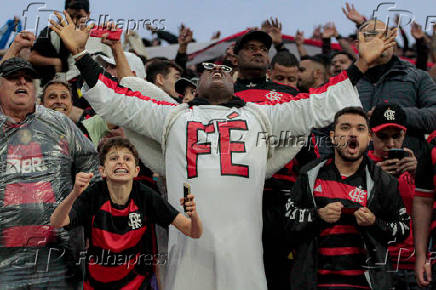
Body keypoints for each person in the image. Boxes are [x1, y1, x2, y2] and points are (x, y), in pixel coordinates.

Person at [49, 11, 396, 289]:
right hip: (188, 246)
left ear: (236, 83)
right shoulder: (172, 116)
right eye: (210, 68)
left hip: (243, 247)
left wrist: (361, 65)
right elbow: (116, 101)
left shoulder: (261, 115)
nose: (218, 71)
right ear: (195, 81)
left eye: (224, 69)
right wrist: (80, 54)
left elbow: (315, 105)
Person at [0, 52, 99, 289]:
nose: (22, 82)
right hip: (4, 260)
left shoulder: (60, 123)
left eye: (28, 78)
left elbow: (91, 167)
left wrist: (76, 216)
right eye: (14, 77)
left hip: (58, 255)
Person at [50, 137, 202, 289]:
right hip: (96, 284)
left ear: (136, 171)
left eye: (127, 158)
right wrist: (74, 193)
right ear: (102, 171)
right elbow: (57, 221)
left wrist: (193, 215)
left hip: (137, 284)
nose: (121, 162)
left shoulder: (147, 196)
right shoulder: (93, 195)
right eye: (114, 158)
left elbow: (193, 231)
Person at [284, 106, 410, 289]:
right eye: (345, 127)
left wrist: (374, 222)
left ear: (369, 139)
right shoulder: (309, 174)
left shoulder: (384, 181)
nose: (352, 134)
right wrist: (317, 215)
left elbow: (403, 228)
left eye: (360, 129)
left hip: (366, 284)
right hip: (316, 282)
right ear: (333, 137)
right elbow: (287, 221)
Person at [368, 103, 434, 289]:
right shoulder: (360, 169)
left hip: (413, 262)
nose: (390, 144)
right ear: (371, 135)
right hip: (377, 262)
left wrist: (420, 174)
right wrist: (372, 178)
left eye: (396, 136)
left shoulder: (418, 166)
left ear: (404, 134)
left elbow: (426, 211)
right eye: (383, 136)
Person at [356, 19, 436, 163]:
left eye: (385, 35)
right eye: (372, 35)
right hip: (356, 176)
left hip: (409, 172)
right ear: (359, 45)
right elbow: (324, 127)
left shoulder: (417, 76)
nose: (380, 40)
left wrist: (396, 114)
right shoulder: (345, 83)